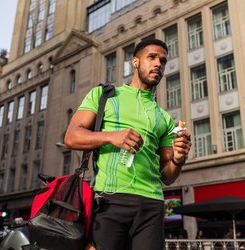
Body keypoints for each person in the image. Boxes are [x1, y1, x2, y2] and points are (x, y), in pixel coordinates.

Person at [65, 39, 191, 250]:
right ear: (135, 62)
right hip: (109, 200)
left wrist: (178, 160)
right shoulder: (104, 95)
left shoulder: (165, 119)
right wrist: (112, 137)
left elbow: (167, 176)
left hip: (151, 204)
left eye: (163, 60)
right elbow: (72, 137)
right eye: (151, 57)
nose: (158, 63)